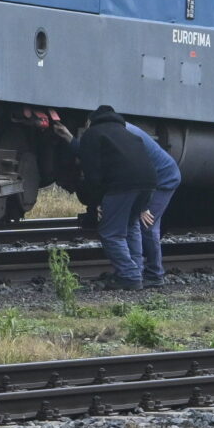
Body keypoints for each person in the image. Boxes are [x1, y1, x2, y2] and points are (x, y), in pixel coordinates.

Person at [62, 104, 171, 291]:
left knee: (111, 233)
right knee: (131, 227)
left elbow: (92, 173)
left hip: (122, 186)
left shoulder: (93, 134)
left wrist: (95, 202)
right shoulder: (127, 133)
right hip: (150, 182)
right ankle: (136, 272)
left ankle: (129, 275)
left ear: (90, 121)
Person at [123, 118, 183, 288]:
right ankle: (141, 271)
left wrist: (143, 206)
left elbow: (143, 172)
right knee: (145, 225)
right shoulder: (125, 130)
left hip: (163, 180)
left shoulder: (128, 135)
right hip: (156, 178)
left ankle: (154, 274)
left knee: (146, 225)